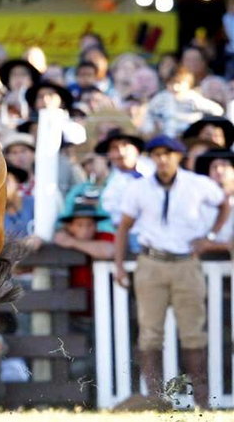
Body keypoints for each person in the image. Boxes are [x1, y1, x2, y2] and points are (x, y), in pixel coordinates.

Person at [114, 135, 230, 409]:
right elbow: (123, 228)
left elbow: (224, 204)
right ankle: (157, 399)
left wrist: (210, 235)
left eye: (168, 153)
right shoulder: (139, 188)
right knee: (150, 333)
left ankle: (203, 402)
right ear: (151, 158)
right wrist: (119, 265)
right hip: (151, 262)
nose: (162, 159)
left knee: (193, 333)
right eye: (157, 154)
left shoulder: (197, 184)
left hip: (185, 261)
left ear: (179, 156)